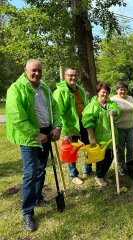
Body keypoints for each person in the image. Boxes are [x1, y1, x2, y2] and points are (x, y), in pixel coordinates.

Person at [6, 59, 61, 232]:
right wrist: (35, 134)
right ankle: (27, 212)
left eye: (39, 70)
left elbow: (55, 108)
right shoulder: (16, 89)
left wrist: (57, 126)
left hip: (46, 131)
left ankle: (38, 198)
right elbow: (16, 117)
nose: (36, 73)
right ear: (25, 70)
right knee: (31, 173)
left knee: (41, 169)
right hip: (29, 136)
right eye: (33, 70)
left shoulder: (44, 88)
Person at [53, 68, 92, 185]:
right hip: (70, 126)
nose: (73, 78)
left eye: (75, 75)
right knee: (71, 151)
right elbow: (58, 113)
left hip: (83, 123)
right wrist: (64, 132)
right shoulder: (60, 92)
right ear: (65, 76)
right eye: (70, 75)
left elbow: (86, 106)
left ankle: (87, 169)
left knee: (88, 146)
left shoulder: (80, 89)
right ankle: (73, 174)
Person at [82, 83, 120, 186]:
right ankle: (99, 176)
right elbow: (88, 122)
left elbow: (117, 110)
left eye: (107, 92)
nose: (105, 94)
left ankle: (101, 175)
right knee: (101, 157)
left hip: (111, 136)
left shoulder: (110, 104)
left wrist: (114, 112)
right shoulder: (92, 106)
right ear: (98, 92)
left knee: (110, 156)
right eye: (103, 92)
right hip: (99, 137)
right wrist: (91, 138)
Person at [110, 81, 133, 176]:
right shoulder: (112, 100)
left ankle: (129, 164)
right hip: (119, 128)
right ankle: (121, 166)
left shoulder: (131, 98)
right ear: (117, 90)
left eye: (125, 89)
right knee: (120, 149)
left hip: (130, 127)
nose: (123, 91)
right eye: (121, 89)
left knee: (131, 147)